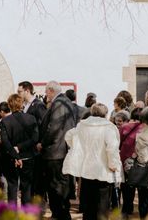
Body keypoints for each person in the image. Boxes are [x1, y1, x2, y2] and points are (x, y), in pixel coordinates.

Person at [63, 103, 121, 220]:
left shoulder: (82, 126)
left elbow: (69, 136)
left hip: (86, 170)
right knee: (102, 206)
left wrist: (77, 148)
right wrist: (113, 164)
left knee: (88, 205)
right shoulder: (109, 127)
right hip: (103, 171)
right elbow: (112, 148)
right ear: (105, 114)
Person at [39, 80, 78, 219]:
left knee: (57, 185)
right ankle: (59, 212)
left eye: (46, 91)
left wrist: (42, 143)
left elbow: (54, 128)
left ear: (51, 90)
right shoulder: (65, 102)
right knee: (59, 184)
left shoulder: (59, 103)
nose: (45, 93)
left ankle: (60, 214)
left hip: (55, 151)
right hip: (60, 150)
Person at [0, 93, 38, 206]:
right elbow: (35, 138)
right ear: (21, 104)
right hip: (28, 156)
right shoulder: (31, 118)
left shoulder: (5, 121)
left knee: (12, 187)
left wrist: (15, 153)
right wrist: (20, 148)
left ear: (10, 105)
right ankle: (26, 214)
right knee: (27, 188)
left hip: (11, 158)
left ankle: (12, 215)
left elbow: (5, 142)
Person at [18, 81, 48, 200]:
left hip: (36, 148)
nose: (18, 94)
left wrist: (40, 142)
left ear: (27, 91)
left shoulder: (38, 105)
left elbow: (43, 125)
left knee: (37, 180)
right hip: (27, 147)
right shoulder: (25, 105)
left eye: (19, 91)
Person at [119, 107, 144, 217]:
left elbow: (118, 143)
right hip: (140, 160)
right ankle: (142, 210)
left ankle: (127, 209)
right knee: (141, 185)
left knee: (127, 186)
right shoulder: (145, 128)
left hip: (125, 160)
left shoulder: (124, 127)